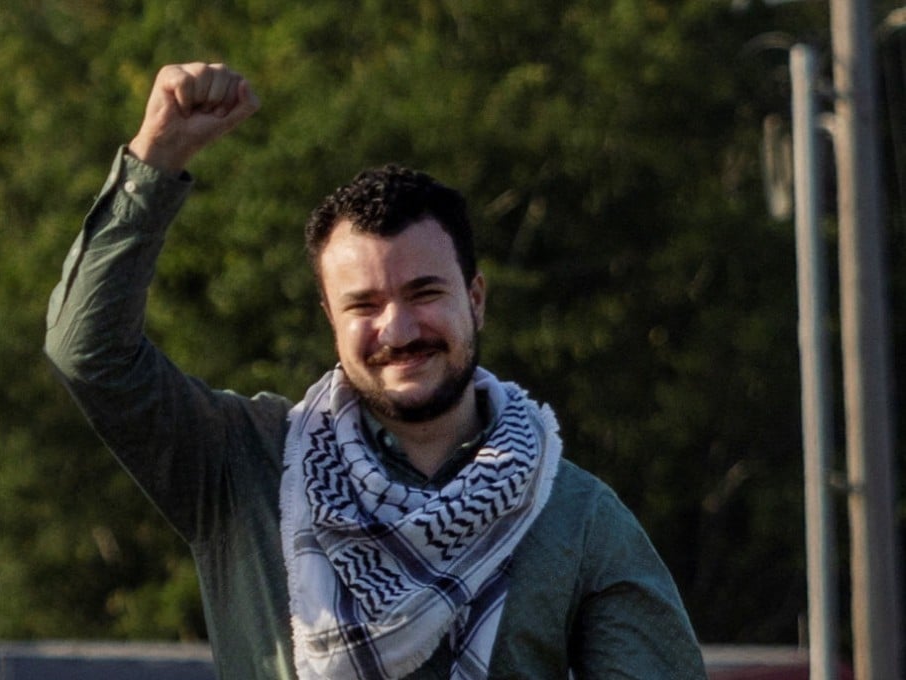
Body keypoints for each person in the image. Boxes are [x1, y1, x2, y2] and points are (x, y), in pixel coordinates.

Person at [44, 62, 707, 680]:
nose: (398, 330)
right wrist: (156, 159)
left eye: (424, 294)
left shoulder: (577, 517)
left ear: (474, 300)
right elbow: (90, 353)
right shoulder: (244, 466)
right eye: (364, 304)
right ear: (331, 317)